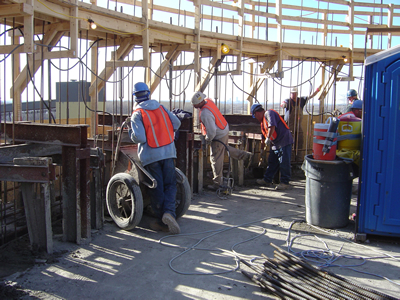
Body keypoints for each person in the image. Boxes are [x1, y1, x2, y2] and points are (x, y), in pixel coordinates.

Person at [128, 82, 181, 234]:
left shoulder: (137, 113)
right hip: (169, 152)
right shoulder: (161, 108)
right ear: (148, 93)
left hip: (151, 156)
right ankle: (169, 213)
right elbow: (176, 122)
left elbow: (139, 137)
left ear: (135, 97)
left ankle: (161, 222)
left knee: (156, 187)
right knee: (170, 184)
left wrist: (131, 134)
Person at [191, 91, 254, 190]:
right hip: (223, 128)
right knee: (223, 149)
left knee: (215, 158)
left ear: (199, 103)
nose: (194, 106)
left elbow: (211, 132)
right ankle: (245, 155)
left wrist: (207, 140)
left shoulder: (205, 113)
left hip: (218, 134)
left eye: (194, 104)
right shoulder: (208, 101)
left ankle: (218, 183)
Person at [251, 103, 294, 190]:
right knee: (272, 162)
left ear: (257, 113)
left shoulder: (269, 113)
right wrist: (262, 152)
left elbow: (272, 127)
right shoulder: (262, 123)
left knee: (284, 162)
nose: (256, 119)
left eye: (255, 116)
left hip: (284, 141)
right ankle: (267, 180)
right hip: (275, 144)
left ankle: (285, 183)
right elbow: (263, 138)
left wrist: (268, 138)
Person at [281, 85, 321, 154]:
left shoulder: (301, 101)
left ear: (297, 93)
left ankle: (298, 159)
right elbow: (283, 104)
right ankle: (290, 161)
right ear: (290, 94)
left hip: (298, 126)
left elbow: (310, 96)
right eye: (292, 93)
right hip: (289, 127)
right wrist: (283, 105)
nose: (293, 94)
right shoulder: (288, 101)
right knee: (290, 144)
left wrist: (317, 90)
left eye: (294, 93)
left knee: (300, 142)